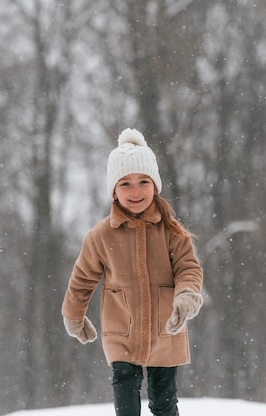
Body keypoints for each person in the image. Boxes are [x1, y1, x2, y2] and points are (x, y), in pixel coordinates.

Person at [61, 128, 204, 416]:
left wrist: (186, 296)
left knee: (164, 402)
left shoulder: (172, 231)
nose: (135, 191)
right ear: (114, 190)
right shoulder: (100, 235)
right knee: (125, 395)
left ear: (155, 185)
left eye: (143, 182)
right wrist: (74, 315)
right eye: (125, 184)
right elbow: (82, 279)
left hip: (165, 327)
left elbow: (188, 268)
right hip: (121, 329)